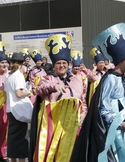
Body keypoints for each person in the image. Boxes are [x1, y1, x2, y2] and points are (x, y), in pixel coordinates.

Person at [72, 23, 125, 162]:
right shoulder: (110, 79)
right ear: (120, 60)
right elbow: (103, 108)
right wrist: (120, 123)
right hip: (114, 132)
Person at [29, 34, 88, 162]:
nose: (62, 66)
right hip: (52, 124)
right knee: (52, 154)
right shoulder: (48, 78)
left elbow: (83, 101)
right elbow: (39, 90)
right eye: (58, 63)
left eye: (64, 63)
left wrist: (83, 114)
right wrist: (53, 86)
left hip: (72, 126)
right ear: (54, 65)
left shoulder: (76, 81)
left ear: (69, 64)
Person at [4, 52, 31, 162]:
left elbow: (7, 94)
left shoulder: (8, 76)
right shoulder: (19, 75)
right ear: (22, 63)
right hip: (19, 110)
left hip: (10, 109)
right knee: (21, 139)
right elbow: (19, 94)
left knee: (13, 138)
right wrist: (29, 92)